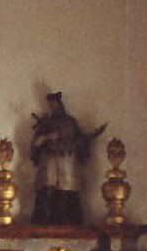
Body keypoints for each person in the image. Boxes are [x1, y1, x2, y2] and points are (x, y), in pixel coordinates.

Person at [28, 92, 105, 225]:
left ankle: (66, 216)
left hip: (67, 160)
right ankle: (45, 217)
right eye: (51, 105)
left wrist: (90, 137)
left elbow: (78, 139)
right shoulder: (46, 123)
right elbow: (36, 143)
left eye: (55, 104)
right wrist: (48, 137)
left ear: (60, 104)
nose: (53, 107)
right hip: (50, 160)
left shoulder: (70, 122)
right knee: (47, 188)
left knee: (68, 189)